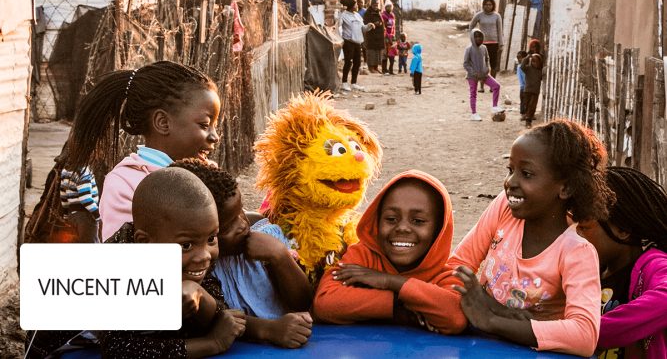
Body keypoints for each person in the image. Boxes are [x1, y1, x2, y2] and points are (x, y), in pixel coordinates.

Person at [448, 119, 615, 357]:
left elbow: (585, 335)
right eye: (510, 170)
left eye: (526, 174)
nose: (510, 182)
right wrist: (482, 306)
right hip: (480, 345)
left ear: (565, 188)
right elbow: (457, 265)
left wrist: (492, 319)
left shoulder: (576, 252)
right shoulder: (504, 209)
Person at [97, 168, 246, 358]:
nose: (204, 256)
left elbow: (220, 315)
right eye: (186, 245)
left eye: (211, 239)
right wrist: (212, 344)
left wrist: (199, 293)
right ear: (144, 242)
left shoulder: (194, 253)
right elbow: (120, 350)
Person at [66, 60, 221, 241]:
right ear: (162, 123)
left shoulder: (209, 173)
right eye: (205, 125)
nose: (215, 136)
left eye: (214, 126)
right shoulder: (124, 183)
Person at [170, 159, 314, 349]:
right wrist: (269, 329)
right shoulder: (198, 264)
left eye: (242, 211)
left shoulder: (262, 234)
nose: (243, 224)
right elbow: (217, 318)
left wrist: (280, 257)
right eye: (228, 225)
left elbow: (302, 303)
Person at [313, 170, 466, 334]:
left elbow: (455, 317)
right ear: (376, 222)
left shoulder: (446, 275)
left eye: (418, 221)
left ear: (439, 230)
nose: (402, 228)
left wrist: (391, 282)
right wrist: (400, 309)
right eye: (391, 219)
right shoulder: (363, 256)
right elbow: (325, 302)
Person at [576, 166, 667, 359]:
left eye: (584, 227)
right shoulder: (587, 271)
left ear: (622, 229)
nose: (576, 235)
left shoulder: (653, 265)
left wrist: (587, 333)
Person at [464, 29, 502, 121]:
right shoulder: (469, 49)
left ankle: (495, 106)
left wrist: (487, 69)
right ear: (472, 38)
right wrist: (473, 73)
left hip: (484, 74)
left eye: (480, 36)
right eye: (476, 36)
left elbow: (487, 59)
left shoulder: (484, 48)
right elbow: (465, 64)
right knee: (473, 94)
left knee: (496, 86)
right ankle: (474, 114)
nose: (478, 38)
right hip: (472, 76)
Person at [469, 0, 504, 92]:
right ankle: (481, 86)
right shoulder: (479, 15)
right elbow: (471, 25)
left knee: (493, 66)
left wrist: (501, 44)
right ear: (483, 5)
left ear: (493, 6)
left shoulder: (497, 16)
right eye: (486, 4)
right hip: (482, 44)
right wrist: (474, 37)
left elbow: (500, 31)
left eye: (490, 4)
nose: (488, 6)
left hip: (494, 44)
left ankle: (492, 85)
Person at [339, 0, 374, 92]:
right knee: (348, 62)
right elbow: (338, 26)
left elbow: (362, 28)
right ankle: (344, 83)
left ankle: (354, 83)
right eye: (355, 4)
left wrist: (369, 26)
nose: (357, 6)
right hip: (348, 42)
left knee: (357, 63)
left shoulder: (357, 15)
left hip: (358, 43)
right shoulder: (343, 16)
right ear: (351, 6)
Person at [522, 42, 543, 128]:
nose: (535, 63)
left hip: (535, 92)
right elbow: (522, 66)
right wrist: (527, 57)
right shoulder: (528, 69)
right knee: (527, 105)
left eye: (536, 62)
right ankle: (527, 116)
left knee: (532, 106)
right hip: (527, 90)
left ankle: (528, 121)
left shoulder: (540, 71)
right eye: (533, 61)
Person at [363, 0, 385, 74]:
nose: (376, 6)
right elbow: (365, 24)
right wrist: (374, 24)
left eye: (377, 4)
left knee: (378, 52)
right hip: (371, 36)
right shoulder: (367, 13)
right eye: (374, 4)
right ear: (371, 4)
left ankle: (376, 67)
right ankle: (371, 67)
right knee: (371, 52)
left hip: (378, 36)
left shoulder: (378, 12)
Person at [381, 0, 396, 75]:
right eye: (387, 7)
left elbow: (393, 26)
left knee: (391, 53)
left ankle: (391, 70)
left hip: (391, 36)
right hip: (385, 36)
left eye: (390, 6)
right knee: (385, 53)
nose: (389, 8)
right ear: (385, 7)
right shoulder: (383, 15)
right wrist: (388, 37)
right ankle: (384, 69)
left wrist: (393, 36)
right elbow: (384, 27)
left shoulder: (392, 15)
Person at [516, 50, 528, 121]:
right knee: (523, 101)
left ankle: (528, 114)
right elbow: (521, 78)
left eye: (520, 57)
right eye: (517, 58)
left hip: (528, 86)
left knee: (528, 101)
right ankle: (523, 114)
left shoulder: (527, 66)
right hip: (523, 87)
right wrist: (523, 86)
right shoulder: (519, 67)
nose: (518, 59)